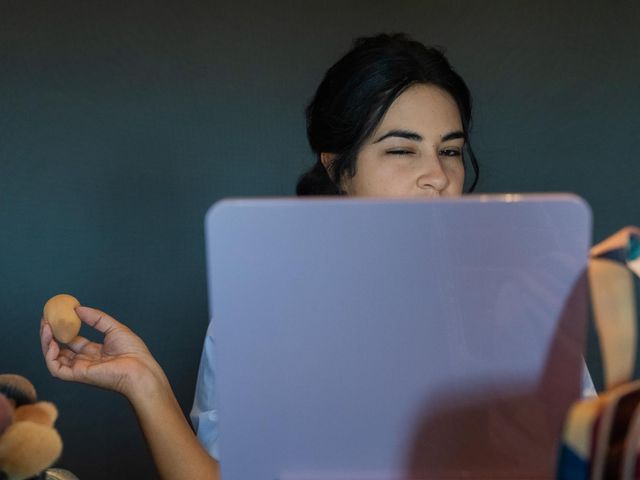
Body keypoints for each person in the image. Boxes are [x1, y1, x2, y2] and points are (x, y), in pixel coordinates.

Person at [38, 33, 590, 479]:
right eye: (401, 149)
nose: (438, 176)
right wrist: (145, 384)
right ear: (338, 169)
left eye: (450, 150)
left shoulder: (517, 302)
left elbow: (585, 458)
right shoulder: (261, 314)